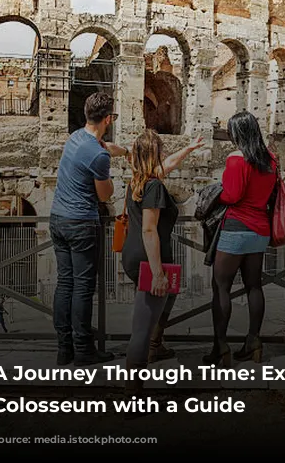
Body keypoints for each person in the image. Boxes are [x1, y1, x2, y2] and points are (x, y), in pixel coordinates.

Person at [50, 91, 129, 366]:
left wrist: (121, 151)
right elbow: (105, 195)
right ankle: (84, 349)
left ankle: (65, 348)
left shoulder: (75, 138)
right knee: (83, 287)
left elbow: (100, 149)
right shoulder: (98, 156)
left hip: (57, 219)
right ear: (108, 119)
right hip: (81, 223)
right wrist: (110, 170)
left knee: (65, 284)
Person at [121, 129, 204, 390]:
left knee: (150, 318)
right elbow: (149, 229)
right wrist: (157, 273)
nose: (166, 154)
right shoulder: (155, 186)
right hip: (149, 260)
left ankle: (151, 354)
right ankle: (132, 394)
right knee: (142, 330)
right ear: (154, 154)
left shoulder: (137, 180)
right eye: (161, 149)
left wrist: (188, 149)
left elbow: (167, 165)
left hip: (132, 254)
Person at [205, 111, 277, 366]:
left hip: (236, 228)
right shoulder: (270, 160)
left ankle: (221, 348)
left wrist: (216, 192)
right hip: (260, 229)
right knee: (254, 286)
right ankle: (253, 342)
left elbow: (232, 196)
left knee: (221, 287)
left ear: (237, 134)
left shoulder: (237, 159)